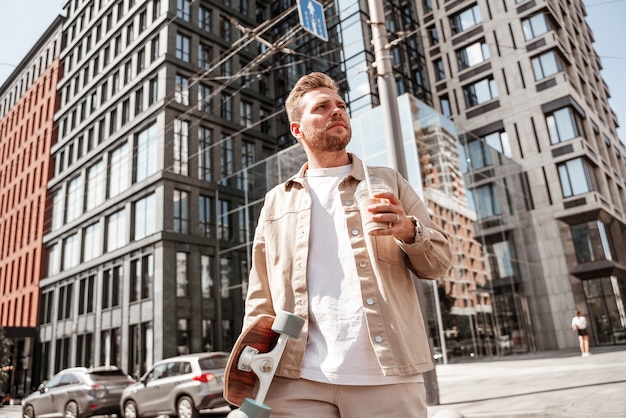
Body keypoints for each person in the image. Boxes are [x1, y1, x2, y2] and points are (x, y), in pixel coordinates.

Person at [238, 72, 453, 417]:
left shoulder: (388, 183)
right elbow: (260, 296)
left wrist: (406, 229)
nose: (336, 111)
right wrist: (248, 367)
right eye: (321, 107)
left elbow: (439, 263)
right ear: (298, 130)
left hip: (386, 379)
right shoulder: (276, 202)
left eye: (340, 105)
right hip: (295, 381)